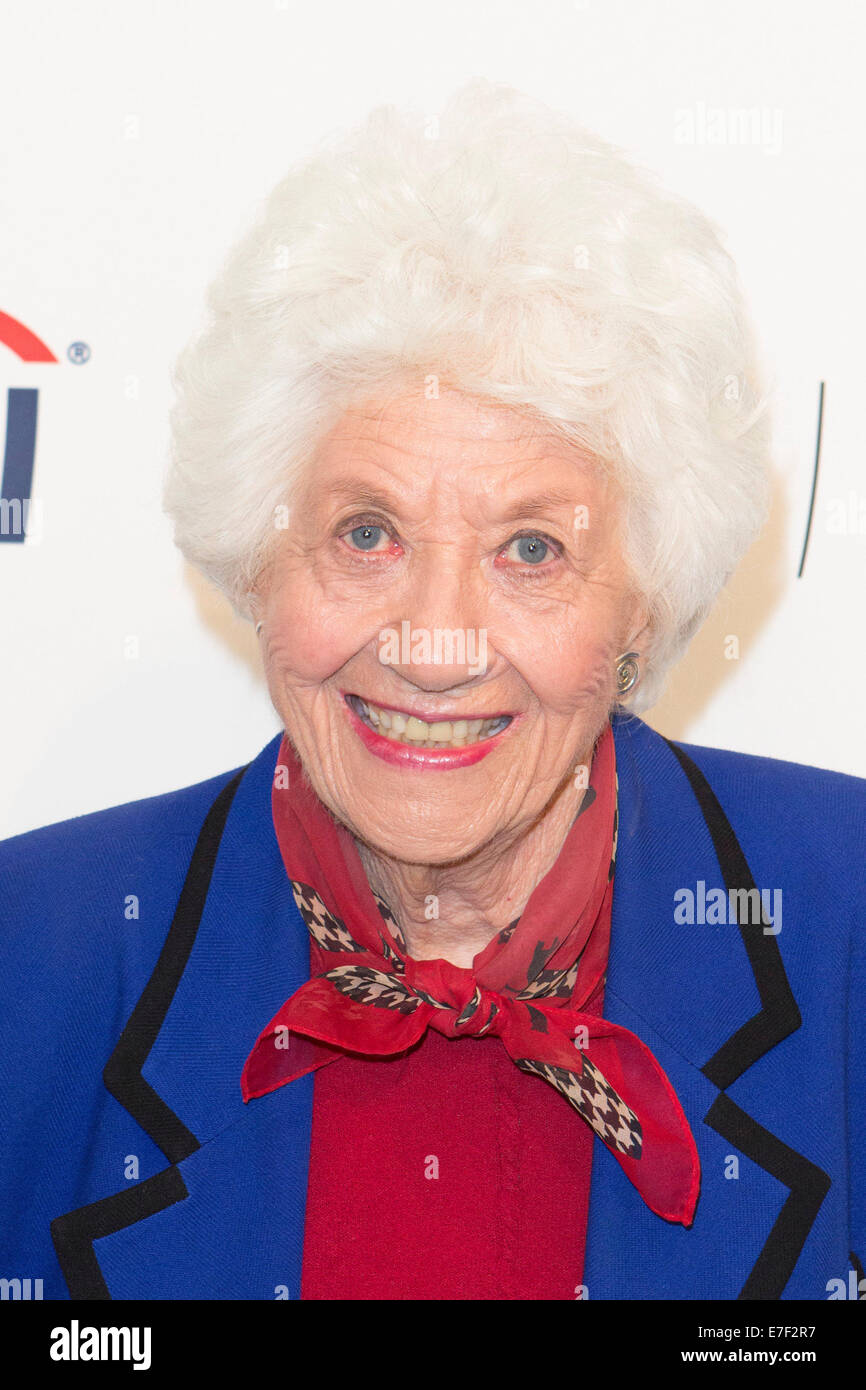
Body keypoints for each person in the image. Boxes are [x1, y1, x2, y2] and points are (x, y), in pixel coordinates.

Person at [1, 80, 863, 1302]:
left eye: (530, 549)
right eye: (366, 533)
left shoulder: (844, 925)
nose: (436, 642)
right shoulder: (27, 953)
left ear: (641, 606)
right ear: (257, 557)